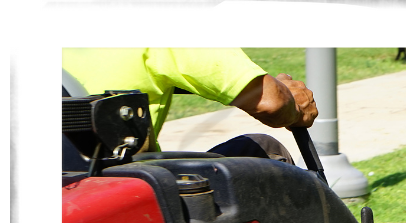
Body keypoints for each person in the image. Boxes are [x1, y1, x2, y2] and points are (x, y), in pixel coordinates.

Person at [61, 48, 317, 163]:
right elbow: (271, 103)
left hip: (66, 189)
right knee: (265, 149)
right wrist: (294, 103)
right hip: (127, 194)